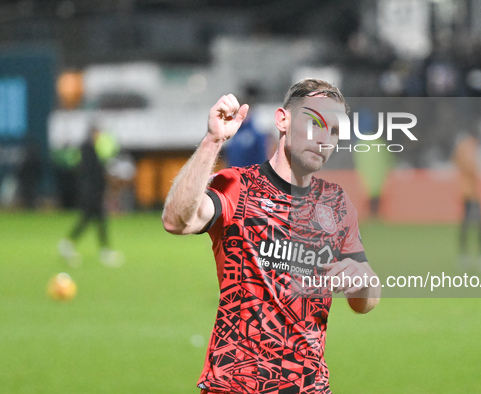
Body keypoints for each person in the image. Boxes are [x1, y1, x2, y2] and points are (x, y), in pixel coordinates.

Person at [162, 79, 380, 394]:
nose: (324, 138)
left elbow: (366, 301)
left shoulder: (336, 204)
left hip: (310, 387)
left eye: (333, 131)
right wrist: (212, 141)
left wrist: (362, 281)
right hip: (236, 386)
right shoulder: (237, 187)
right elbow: (177, 220)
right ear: (283, 120)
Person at [58, 125, 122, 267]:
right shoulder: (87, 149)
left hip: (94, 191)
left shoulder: (94, 150)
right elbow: (92, 171)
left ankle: (68, 244)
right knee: (95, 219)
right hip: (90, 192)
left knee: (90, 219)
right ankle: (103, 251)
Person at [452, 127, 481, 269]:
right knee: (479, 223)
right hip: (471, 191)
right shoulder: (469, 147)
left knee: (466, 222)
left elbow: (455, 160)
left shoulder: (462, 146)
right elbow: (470, 166)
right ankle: (480, 255)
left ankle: (464, 255)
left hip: (464, 188)